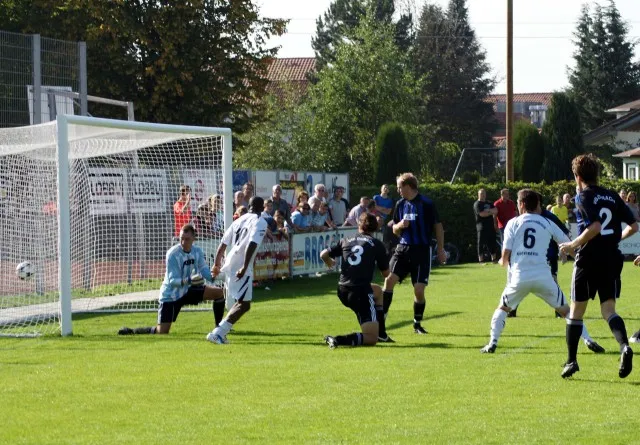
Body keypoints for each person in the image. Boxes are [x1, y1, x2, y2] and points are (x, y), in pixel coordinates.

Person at [480, 189, 604, 354]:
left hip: (520, 277)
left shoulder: (513, 223)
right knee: (568, 311)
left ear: (521, 204)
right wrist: (579, 259)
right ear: (537, 204)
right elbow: (568, 244)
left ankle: (492, 343)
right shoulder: (547, 222)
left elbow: (506, 253)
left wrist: (502, 261)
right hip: (543, 277)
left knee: (502, 309)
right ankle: (588, 339)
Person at [558, 154, 638, 379]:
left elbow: (594, 226)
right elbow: (634, 226)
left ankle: (571, 361)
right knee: (609, 311)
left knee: (576, 312)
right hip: (611, 258)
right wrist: (615, 239)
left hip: (588, 259)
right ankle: (624, 346)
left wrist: (572, 244)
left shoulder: (583, 196)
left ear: (578, 176)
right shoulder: (612, 195)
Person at [118, 224, 226, 335]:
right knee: (162, 332)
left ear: (194, 238)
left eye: (187, 239)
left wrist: (215, 276)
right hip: (170, 295)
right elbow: (173, 281)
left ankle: (219, 329)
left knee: (218, 293)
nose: (183, 242)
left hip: (186, 290)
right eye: (181, 239)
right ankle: (132, 331)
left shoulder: (197, 251)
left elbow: (204, 270)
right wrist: (190, 280)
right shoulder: (172, 254)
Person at [381, 173, 446, 340]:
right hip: (403, 249)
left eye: (399, 187)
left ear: (408, 186)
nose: (398, 190)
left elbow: (438, 227)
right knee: (389, 281)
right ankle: (381, 322)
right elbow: (394, 229)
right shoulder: (400, 204)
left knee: (418, 290)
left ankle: (417, 323)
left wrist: (440, 249)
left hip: (422, 251)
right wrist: (400, 225)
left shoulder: (427, 204)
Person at [321, 213, 390, 349]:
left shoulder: (346, 240)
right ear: (375, 228)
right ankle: (337, 340)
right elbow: (386, 274)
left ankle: (382, 334)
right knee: (371, 338)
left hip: (342, 290)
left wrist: (329, 262)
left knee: (377, 291)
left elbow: (323, 254)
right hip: (360, 292)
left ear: (359, 225)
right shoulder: (376, 244)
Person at [206, 197, 268, 344]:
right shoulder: (260, 221)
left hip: (229, 264)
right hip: (240, 265)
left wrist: (216, 264)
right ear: (261, 208)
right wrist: (245, 267)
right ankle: (218, 333)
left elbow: (223, 244)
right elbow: (252, 244)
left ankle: (220, 332)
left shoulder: (238, 220)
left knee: (241, 302)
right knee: (244, 304)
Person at [474, 189, 499, 263]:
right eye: (481, 193)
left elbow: (496, 210)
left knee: (492, 242)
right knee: (481, 243)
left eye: (484, 193)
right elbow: (482, 214)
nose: (483, 195)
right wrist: (490, 211)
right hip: (481, 227)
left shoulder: (489, 203)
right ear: (478, 194)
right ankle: (481, 260)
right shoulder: (477, 204)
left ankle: (494, 259)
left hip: (490, 226)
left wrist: (487, 211)